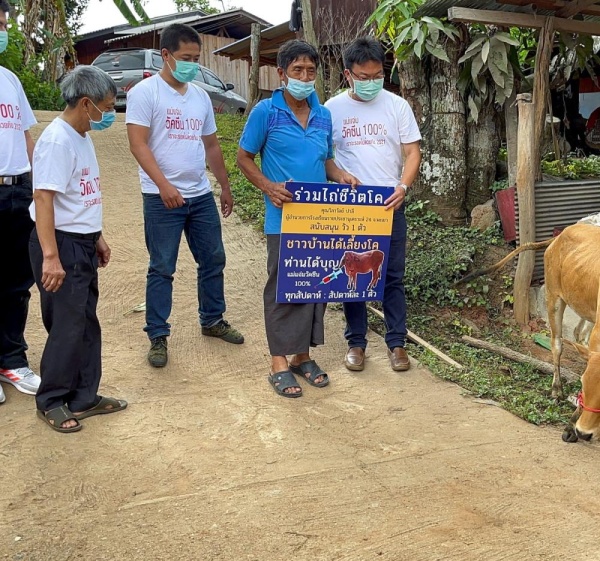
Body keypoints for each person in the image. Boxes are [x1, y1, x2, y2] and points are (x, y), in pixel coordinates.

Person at [237, 39, 359, 398]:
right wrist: (269, 186)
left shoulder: (323, 115)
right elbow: (244, 157)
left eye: (310, 71)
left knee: (313, 284)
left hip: (318, 220)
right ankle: (278, 361)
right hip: (283, 218)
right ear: (281, 74)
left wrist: (342, 176)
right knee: (282, 288)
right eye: (297, 71)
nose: (305, 77)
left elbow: (327, 160)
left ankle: (301, 357)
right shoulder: (266, 112)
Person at [126, 23, 243, 369]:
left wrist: (223, 184)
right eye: (185, 58)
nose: (192, 64)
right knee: (162, 267)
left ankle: (212, 319)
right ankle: (158, 335)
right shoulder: (145, 93)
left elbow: (210, 145)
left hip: (199, 194)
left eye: (196, 58)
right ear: (166, 55)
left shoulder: (200, 96)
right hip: (161, 197)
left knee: (213, 259)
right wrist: (164, 185)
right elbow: (138, 144)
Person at [29, 65, 127, 432]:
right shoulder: (57, 140)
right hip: (62, 244)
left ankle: (84, 396)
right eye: (106, 106)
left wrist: (96, 237)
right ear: (86, 104)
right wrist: (51, 257)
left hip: (81, 242)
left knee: (86, 322)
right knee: (66, 326)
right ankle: (52, 400)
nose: (109, 114)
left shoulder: (82, 135)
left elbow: (82, 195)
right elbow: (43, 198)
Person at [325, 37, 422, 373]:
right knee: (353, 276)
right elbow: (324, 157)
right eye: (362, 77)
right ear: (347, 75)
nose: (370, 82)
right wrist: (338, 175)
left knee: (392, 276)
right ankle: (356, 342)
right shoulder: (331, 109)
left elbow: (412, 153)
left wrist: (403, 186)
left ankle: (397, 344)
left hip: (389, 205)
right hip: (352, 207)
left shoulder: (397, 106)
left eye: (377, 75)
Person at [0, 0, 41, 404]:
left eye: (4, 23)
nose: (3, 29)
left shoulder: (9, 79)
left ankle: (11, 359)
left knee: (17, 282)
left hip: (17, 190)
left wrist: (37, 186)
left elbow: (26, 136)